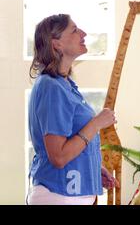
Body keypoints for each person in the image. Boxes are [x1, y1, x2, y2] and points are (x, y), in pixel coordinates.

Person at [27, 14, 120, 205]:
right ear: (57, 44)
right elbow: (59, 157)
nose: (83, 33)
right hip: (58, 195)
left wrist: (92, 168)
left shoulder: (64, 85)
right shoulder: (52, 87)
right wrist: (96, 123)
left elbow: (70, 141)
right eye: (75, 30)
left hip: (68, 195)